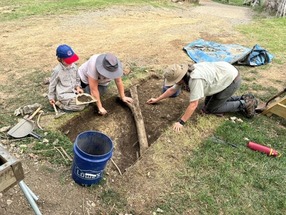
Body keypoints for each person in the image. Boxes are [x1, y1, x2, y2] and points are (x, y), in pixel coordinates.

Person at [147, 62, 258, 132]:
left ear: (180, 77)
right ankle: (244, 98)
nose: (174, 83)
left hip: (231, 80)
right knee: (208, 104)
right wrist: (157, 99)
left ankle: (244, 104)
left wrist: (181, 122)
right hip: (224, 73)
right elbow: (172, 90)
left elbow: (193, 104)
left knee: (211, 109)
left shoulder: (195, 80)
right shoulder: (186, 74)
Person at [48, 44, 86, 112]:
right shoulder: (57, 71)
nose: (71, 62)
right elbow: (52, 84)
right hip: (64, 94)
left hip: (74, 92)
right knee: (80, 107)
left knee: (86, 102)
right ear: (60, 59)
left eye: (72, 59)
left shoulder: (74, 66)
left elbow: (77, 78)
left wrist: (78, 87)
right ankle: (60, 105)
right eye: (68, 60)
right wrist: (51, 97)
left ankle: (71, 102)